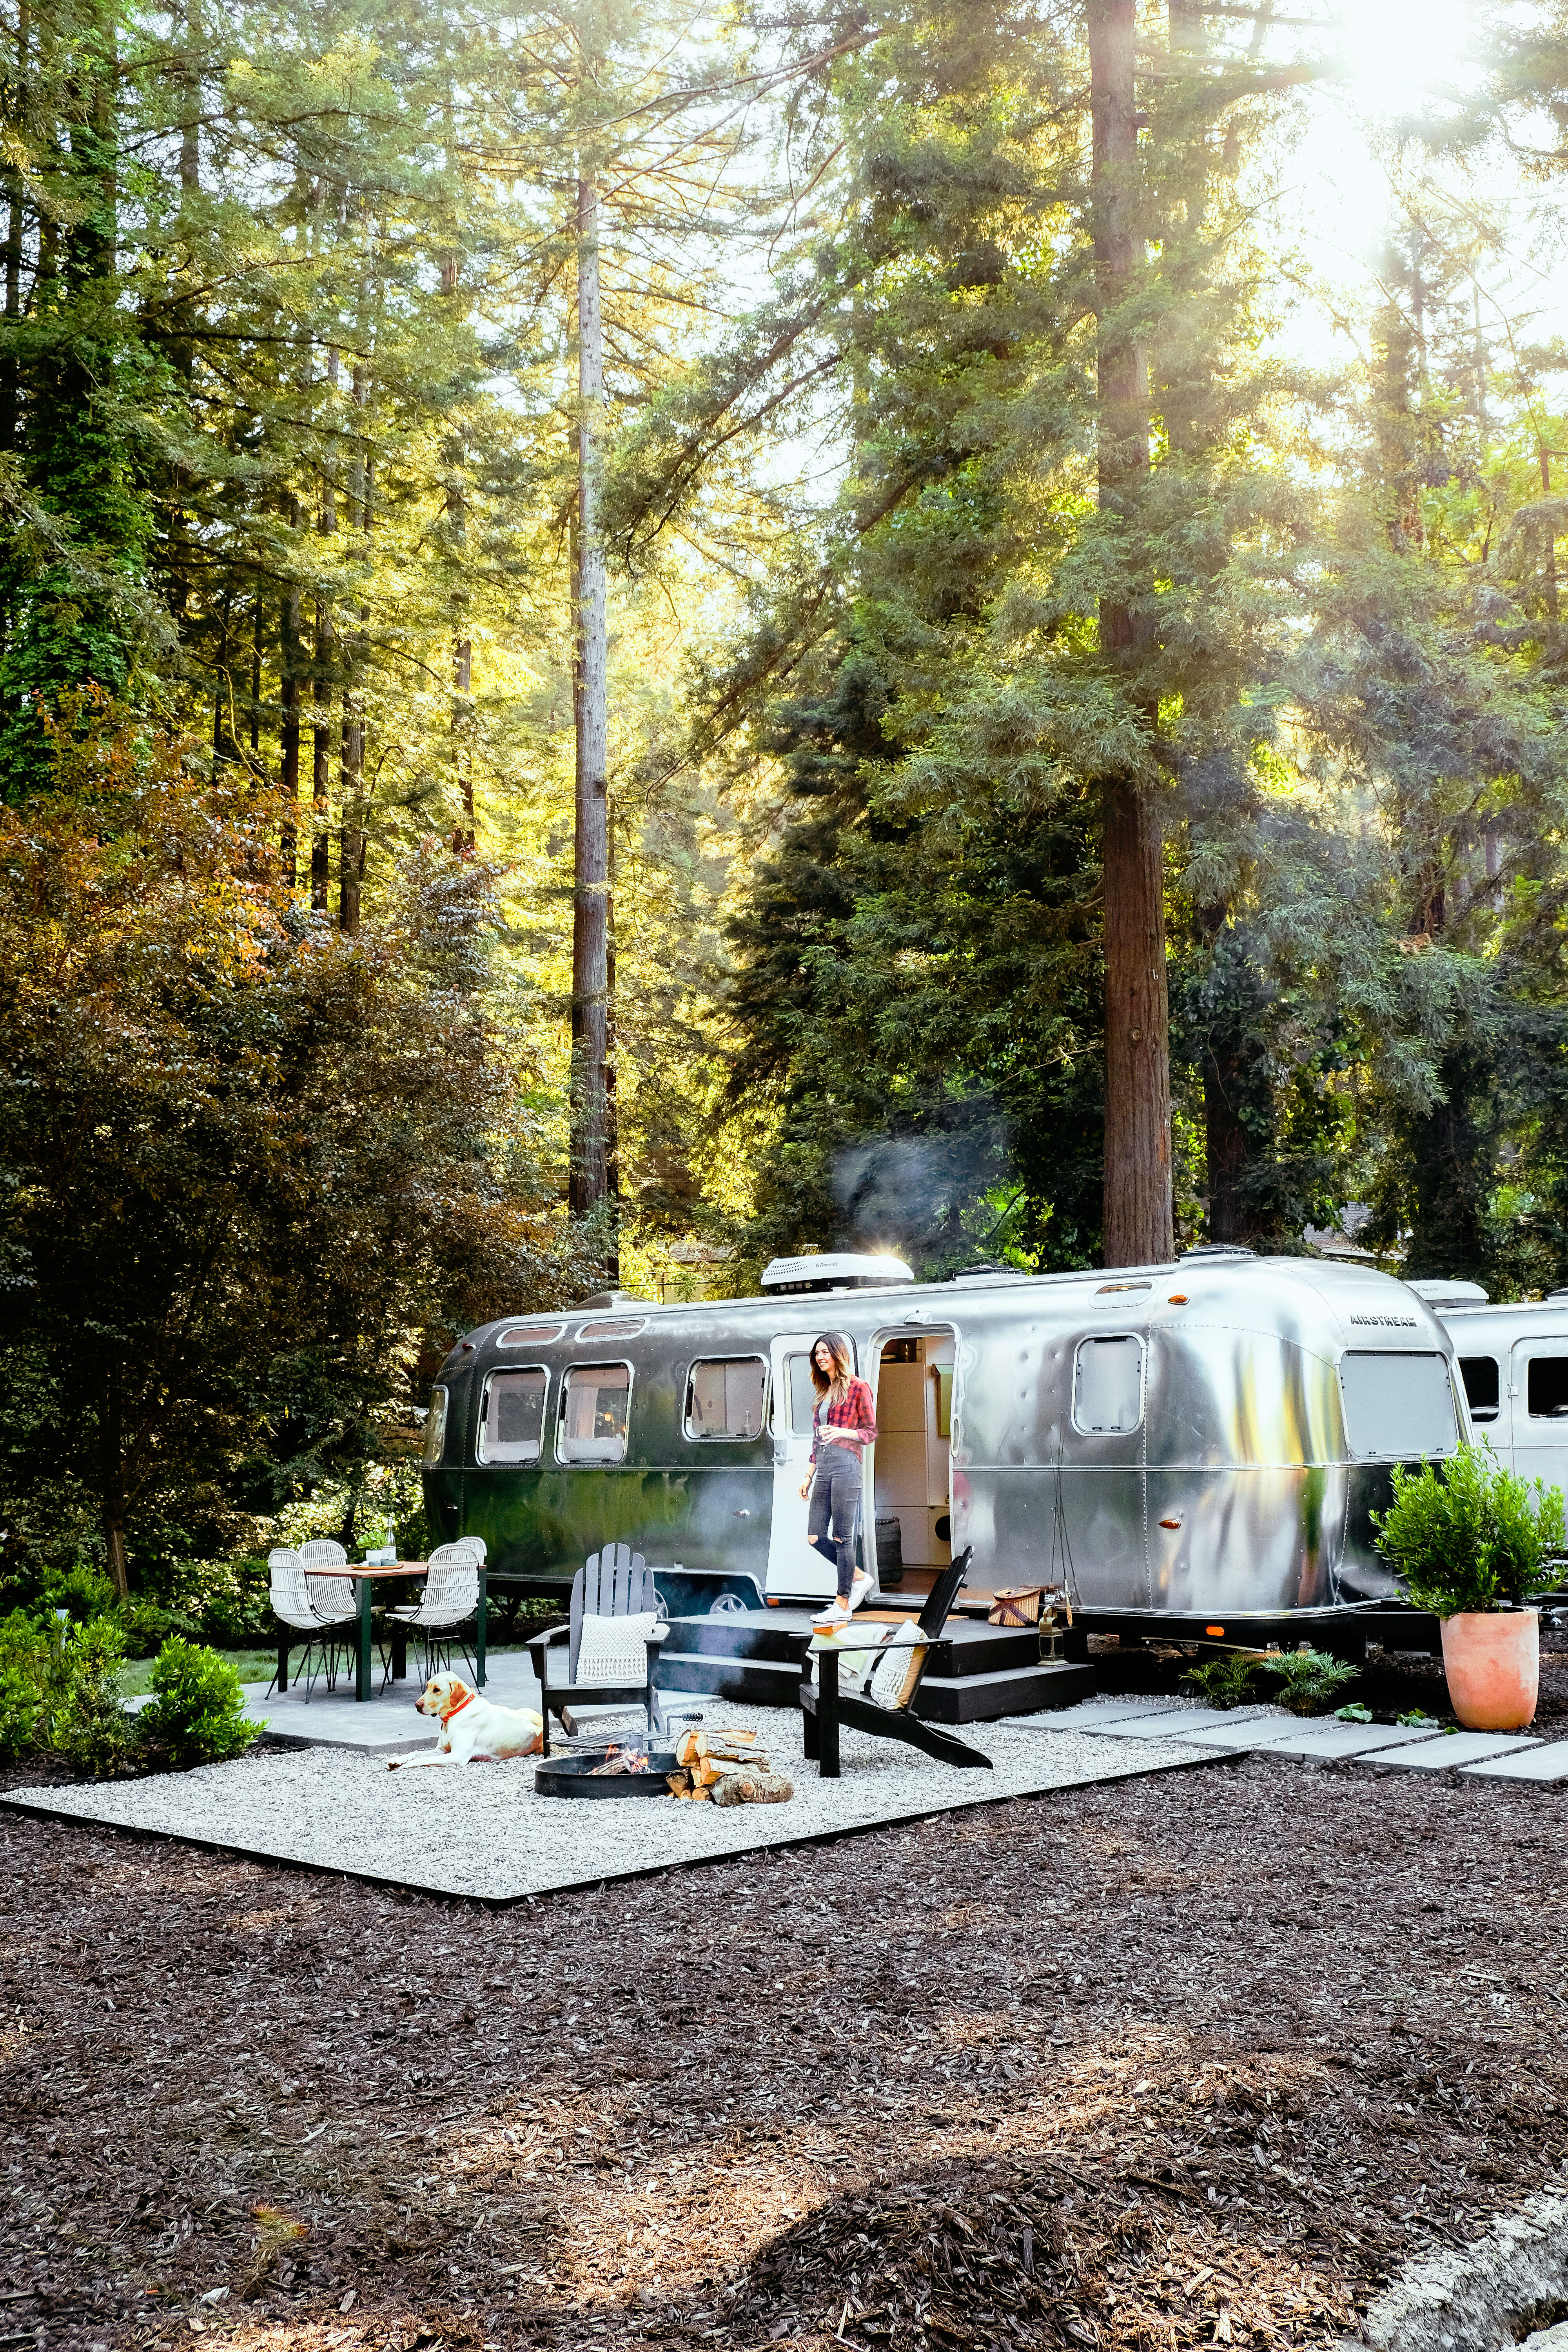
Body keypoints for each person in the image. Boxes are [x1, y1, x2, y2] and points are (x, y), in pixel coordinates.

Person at [799, 1332, 877, 1622]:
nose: (820, 1358)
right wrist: (809, 1475)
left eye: (825, 1353)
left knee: (843, 1538)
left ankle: (842, 1605)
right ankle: (858, 1577)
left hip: (847, 1465)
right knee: (815, 1536)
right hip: (826, 1467)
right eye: (817, 1353)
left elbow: (870, 1433)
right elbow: (817, 1441)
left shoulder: (859, 1387)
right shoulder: (822, 1393)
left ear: (837, 1355)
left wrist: (842, 1432)